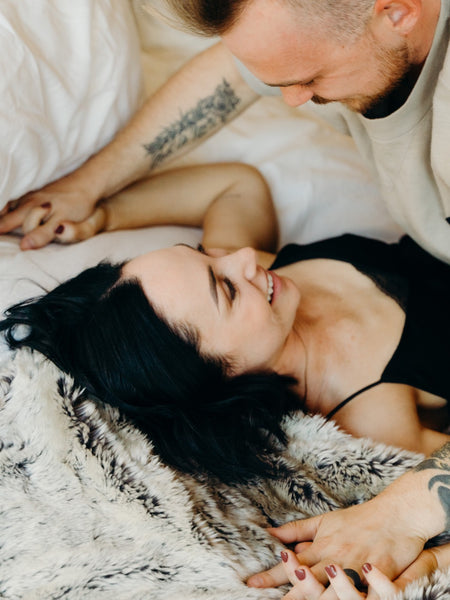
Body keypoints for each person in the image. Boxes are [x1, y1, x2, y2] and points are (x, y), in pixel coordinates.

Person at [1, 162, 449, 599]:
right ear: (222, 377)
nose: (242, 259)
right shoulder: (373, 414)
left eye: (203, 256)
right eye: (227, 290)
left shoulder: (260, 288)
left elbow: (235, 184)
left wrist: (103, 213)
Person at [0, 0, 448, 263]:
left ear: (396, 12)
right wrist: (84, 185)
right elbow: (230, 78)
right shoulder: (340, 25)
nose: (293, 98)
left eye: (309, 79)